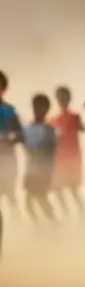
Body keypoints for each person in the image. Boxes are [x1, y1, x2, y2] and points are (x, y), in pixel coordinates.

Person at [50, 86, 85, 220]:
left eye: (64, 97)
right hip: (59, 159)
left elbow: (83, 128)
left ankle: (81, 215)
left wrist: (79, 122)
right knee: (58, 189)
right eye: (60, 97)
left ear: (69, 99)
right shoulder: (53, 120)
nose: (62, 99)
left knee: (73, 190)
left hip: (72, 159)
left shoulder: (74, 117)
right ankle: (66, 213)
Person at [22, 94, 58, 224]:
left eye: (42, 108)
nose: (38, 111)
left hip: (42, 170)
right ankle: (46, 225)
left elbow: (52, 150)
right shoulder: (27, 128)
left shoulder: (49, 130)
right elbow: (24, 146)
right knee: (30, 203)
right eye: (36, 107)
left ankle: (53, 224)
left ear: (46, 110)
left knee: (40, 199)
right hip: (32, 170)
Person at [0, 71, 24, 228]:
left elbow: (21, 135)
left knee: (8, 194)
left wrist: (8, 137)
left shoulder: (9, 111)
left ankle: (19, 225)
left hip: (6, 160)